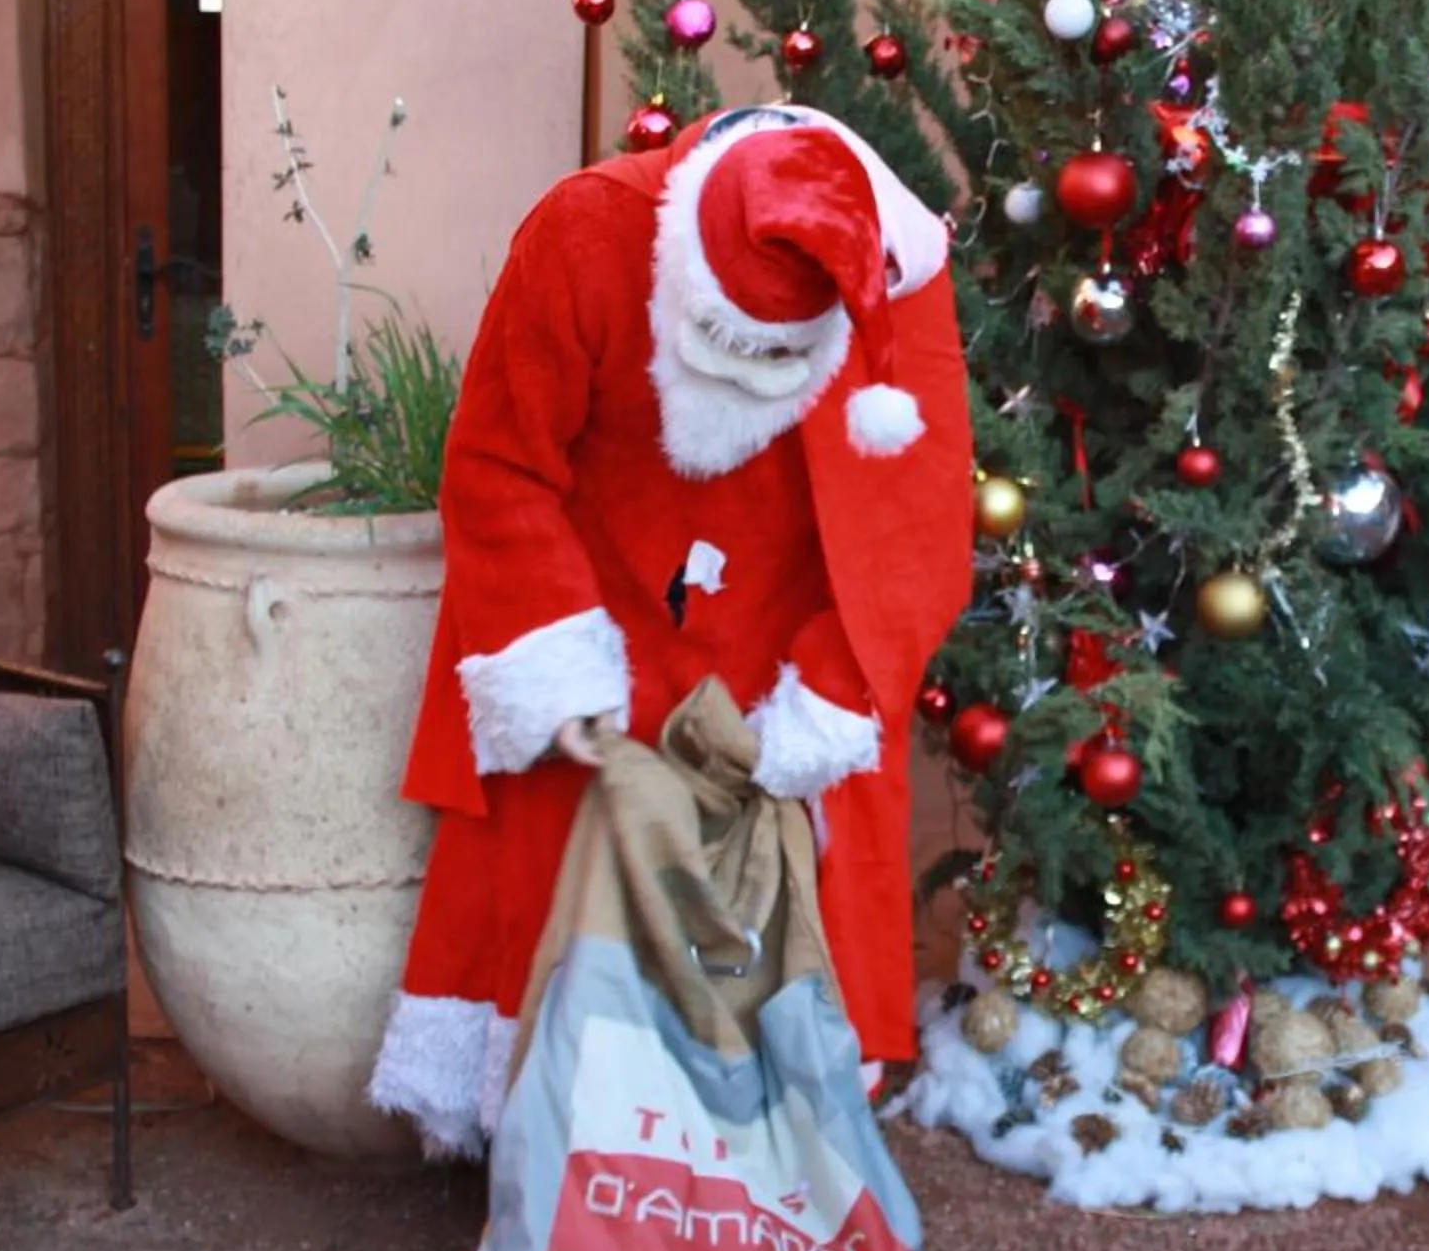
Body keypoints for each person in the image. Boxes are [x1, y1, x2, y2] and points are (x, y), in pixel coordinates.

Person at [364, 106, 976, 1159]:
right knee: (557, 867)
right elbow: (499, 462)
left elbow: (916, 530)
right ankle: (560, 1156)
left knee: (783, 897)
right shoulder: (586, 229)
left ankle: (748, 1171)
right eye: (722, 346)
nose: (741, 374)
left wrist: (827, 696)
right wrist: (557, 664)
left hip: (790, 631)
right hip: (593, 586)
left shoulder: (895, 272)